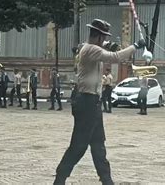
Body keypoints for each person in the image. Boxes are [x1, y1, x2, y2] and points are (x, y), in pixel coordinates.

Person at [54, 19, 145, 185]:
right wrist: (135, 46)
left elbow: (106, 49)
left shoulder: (89, 47)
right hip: (86, 101)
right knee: (79, 146)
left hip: (92, 101)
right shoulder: (91, 49)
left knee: (98, 145)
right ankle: (60, 178)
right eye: (103, 38)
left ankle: (107, 180)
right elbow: (115, 57)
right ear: (99, 37)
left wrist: (109, 45)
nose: (104, 41)